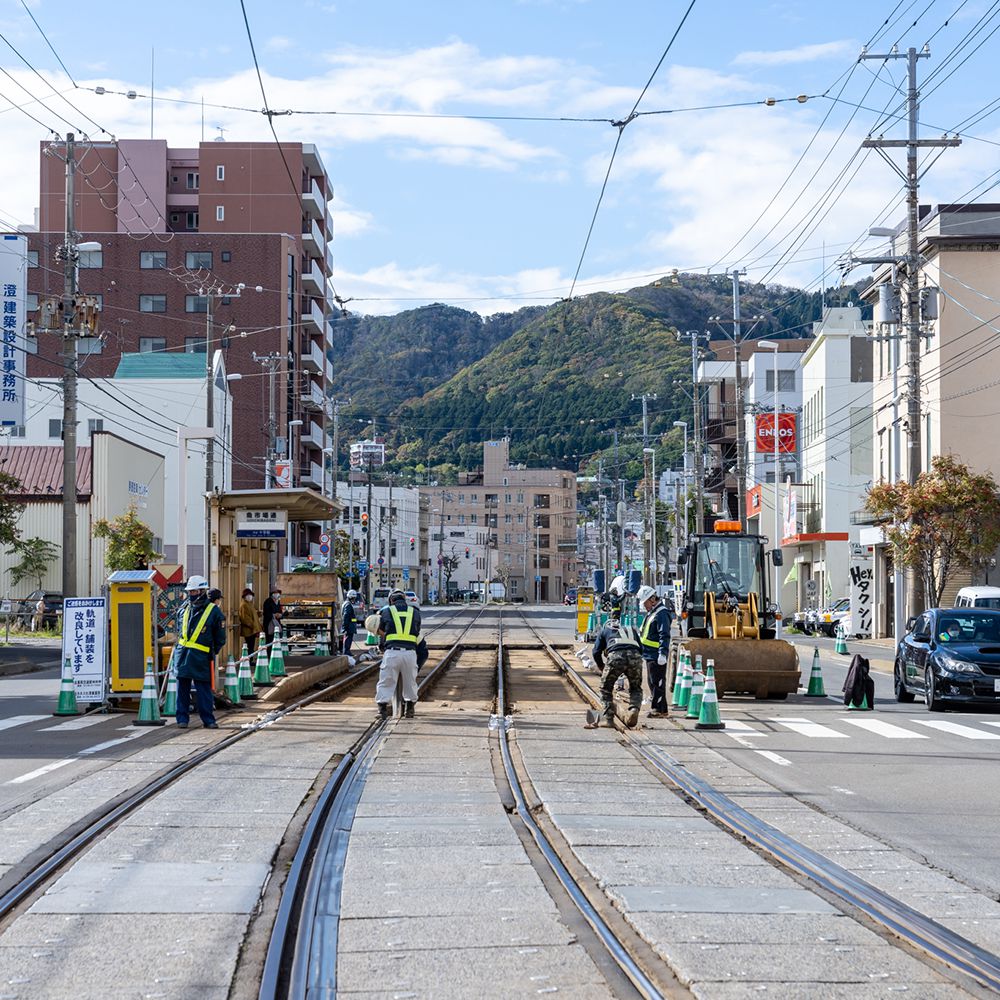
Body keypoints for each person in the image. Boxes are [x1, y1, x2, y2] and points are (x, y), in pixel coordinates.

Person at [174, 575, 227, 730]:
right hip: (183, 654)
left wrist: (212, 651)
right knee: (182, 688)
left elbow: (220, 637)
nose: (192, 594)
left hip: (200, 655)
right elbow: (179, 630)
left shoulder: (213, 611)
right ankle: (182, 719)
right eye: (190, 591)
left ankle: (208, 720)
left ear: (203, 591)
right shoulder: (184, 609)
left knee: (203, 689)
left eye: (195, 591)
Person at [586, 609, 643, 729]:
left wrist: (602, 667)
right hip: (635, 656)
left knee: (605, 688)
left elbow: (596, 652)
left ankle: (608, 719)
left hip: (616, 656)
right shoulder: (631, 629)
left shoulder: (604, 630)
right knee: (635, 688)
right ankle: (633, 709)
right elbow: (640, 648)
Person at [376, 588, 421, 719]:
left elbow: (381, 632)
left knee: (386, 681)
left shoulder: (386, 612)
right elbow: (417, 631)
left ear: (391, 600)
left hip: (392, 652)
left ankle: (382, 710)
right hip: (410, 653)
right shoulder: (415, 612)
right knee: (410, 682)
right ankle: (410, 709)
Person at [637, 585, 672, 718]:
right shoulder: (652, 613)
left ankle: (659, 709)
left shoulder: (662, 613)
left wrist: (662, 653)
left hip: (656, 655)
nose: (644, 606)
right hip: (649, 654)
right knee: (652, 682)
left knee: (657, 682)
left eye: (645, 602)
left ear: (652, 599)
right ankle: (659, 708)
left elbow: (664, 634)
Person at [238, 588, 262, 653]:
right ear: (244, 596)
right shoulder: (244, 605)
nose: (250, 596)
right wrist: (254, 625)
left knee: (251, 646)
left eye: (250, 595)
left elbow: (252, 615)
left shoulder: (249, 604)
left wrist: (258, 614)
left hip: (252, 630)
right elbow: (245, 619)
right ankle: (249, 661)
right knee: (250, 646)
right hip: (249, 630)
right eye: (248, 595)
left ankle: (250, 661)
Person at [342, 589, 360, 658]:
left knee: (348, 638)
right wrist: (345, 626)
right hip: (349, 626)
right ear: (351, 597)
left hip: (349, 625)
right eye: (353, 598)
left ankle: (347, 651)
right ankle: (346, 652)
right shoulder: (348, 605)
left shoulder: (346, 603)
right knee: (348, 638)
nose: (354, 599)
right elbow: (346, 616)